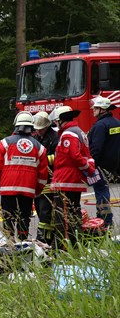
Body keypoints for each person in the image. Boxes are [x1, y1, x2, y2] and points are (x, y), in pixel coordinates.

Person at [0, 113, 48, 240]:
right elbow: (43, 175)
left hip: (7, 189)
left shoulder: (5, 143)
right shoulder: (40, 148)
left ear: (16, 125)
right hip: (28, 190)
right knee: (24, 217)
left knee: (8, 217)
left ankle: (9, 244)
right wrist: (37, 190)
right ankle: (23, 243)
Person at [50, 106, 98, 247]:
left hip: (66, 181)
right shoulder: (80, 132)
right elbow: (87, 156)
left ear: (60, 120)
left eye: (56, 121)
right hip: (73, 181)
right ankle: (76, 243)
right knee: (74, 212)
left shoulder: (68, 134)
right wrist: (89, 170)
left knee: (63, 216)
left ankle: (63, 247)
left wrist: (87, 169)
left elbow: (76, 156)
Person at [88, 96, 120, 229]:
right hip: (113, 166)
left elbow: (96, 149)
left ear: (102, 109)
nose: (93, 110)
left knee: (101, 192)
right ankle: (105, 219)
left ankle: (105, 221)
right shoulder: (116, 122)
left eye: (95, 108)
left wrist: (90, 165)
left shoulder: (100, 126)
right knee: (104, 191)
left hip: (100, 166)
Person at [32, 111, 58, 244]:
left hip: (50, 180)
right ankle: (44, 237)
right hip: (39, 180)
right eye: (36, 129)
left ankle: (46, 239)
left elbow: (57, 158)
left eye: (40, 129)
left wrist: (40, 160)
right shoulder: (37, 137)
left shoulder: (55, 138)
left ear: (47, 127)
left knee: (45, 212)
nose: (38, 131)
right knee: (39, 209)